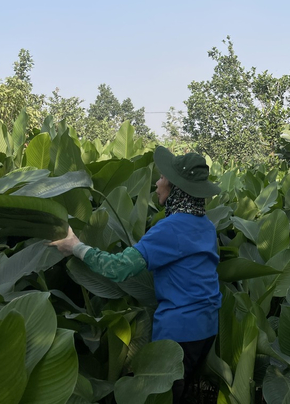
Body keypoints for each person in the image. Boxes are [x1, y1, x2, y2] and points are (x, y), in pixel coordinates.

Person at [50, 146, 222, 403]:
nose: (157, 182)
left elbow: (119, 268)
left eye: (163, 178)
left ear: (176, 188)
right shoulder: (206, 225)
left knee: (165, 398)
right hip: (206, 328)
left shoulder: (171, 228)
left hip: (179, 333)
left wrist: (76, 247)